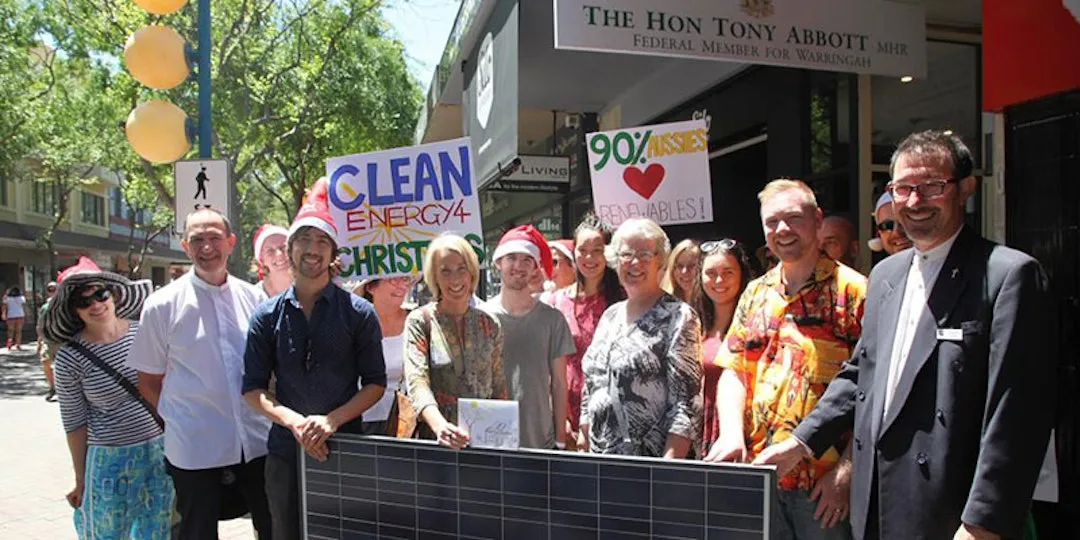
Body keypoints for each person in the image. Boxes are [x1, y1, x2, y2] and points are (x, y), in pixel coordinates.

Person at [754, 131, 1055, 540]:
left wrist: (982, 523)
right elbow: (860, 375)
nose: (915, 202)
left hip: (951, 513)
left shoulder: (1008, 275)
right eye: (902, 188)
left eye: (931, 186)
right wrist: (801, 443)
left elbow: (1016, 414)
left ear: (965, 188)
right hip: (876, 506)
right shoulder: (885, 275)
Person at [704, 178, 867, 540]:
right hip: (759, 476)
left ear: (817, 220)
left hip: (822, 490)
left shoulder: (855, 293)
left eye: (793, 218)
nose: (782, 230)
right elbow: (734, 372)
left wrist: (845, 473)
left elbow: (873, 394)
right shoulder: (755, 293)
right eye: (772, 222)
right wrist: (730, 433)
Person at [243, 179, 386, 540]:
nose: (313, 248)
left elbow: (375, 383)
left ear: (333, 253)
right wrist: (296, 423)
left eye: (323, 241)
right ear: (290, 249)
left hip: (345, 447)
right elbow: (252, 389)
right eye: (304, 239)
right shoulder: (266, 316)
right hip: (284, 452)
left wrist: (331, 421)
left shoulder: (359, 313)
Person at [128, 208, 273, 540]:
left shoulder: (254, 298)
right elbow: (148, 381)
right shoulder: (162, 305)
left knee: (272, 526)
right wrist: (179, 419)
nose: (207, 247)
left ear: (231, 242)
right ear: (185, 246)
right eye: (197, 240)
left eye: (214, 238)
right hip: (195, 447)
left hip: (255, 441)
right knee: (196, 532)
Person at [42, 257, 172, 538]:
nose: (96, 305)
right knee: (107, 533)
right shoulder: (69, 359)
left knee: (157, 531)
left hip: (159, 452)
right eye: (83, 301)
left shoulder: (145, 332)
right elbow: (75, 423)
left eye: (100, 294)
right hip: (109, 462)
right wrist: (81, 478)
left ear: (113, 295)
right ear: (73, 310)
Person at [579, 218, 702, 458]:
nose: (635, 263)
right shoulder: (610, 315)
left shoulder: (678, 316)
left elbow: (686, 404)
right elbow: (592, 382)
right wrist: (584, 431)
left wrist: (669, 467)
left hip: (649, 463)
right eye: (626, 254)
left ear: (661, 261)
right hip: (598, 458)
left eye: (645, 255)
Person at [403, 233, 507, 448]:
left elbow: (499, 385)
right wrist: (440, 426)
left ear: (472, 272)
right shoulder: (420, 321)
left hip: (483, 440)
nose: (455, 279)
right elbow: (417, 382)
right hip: (436, 441)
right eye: (445, 271)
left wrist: (504, 436)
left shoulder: (489, 324)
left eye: (462, 269)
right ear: (434, 277)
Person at [483, 225, 575, 450]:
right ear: (498, 262)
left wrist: (560, 439)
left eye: (527, 260)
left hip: (540, 440)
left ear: (535, 267)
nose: (519, 266)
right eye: (511, 258)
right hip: (490, 438)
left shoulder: (552, 320)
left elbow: (559, 383)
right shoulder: (480, 317)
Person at [549, 213, 624, 450]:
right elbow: (547, 363)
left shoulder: (624, 301)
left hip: (612, 413)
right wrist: (560, 418)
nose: (589, 258)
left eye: (597, 250)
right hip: (565, 410)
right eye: (583, 250)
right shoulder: (557, 301)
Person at [694, 238, 754, 457]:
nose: (719, 280)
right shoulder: (694, 323)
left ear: (742, 275)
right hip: (699, 434)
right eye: (710, 273)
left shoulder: (756, 324)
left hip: (740, 436)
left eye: (728, 272)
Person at [354, 275, 415, 434]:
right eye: (393, 280)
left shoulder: (416, 321)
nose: (401, 286)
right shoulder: (354, 323)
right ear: (370, 287)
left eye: (405, 279)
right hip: (359, 422)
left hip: (405, 424)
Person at [252, 224, 291, 297]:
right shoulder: (252, 297)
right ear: (262, 260)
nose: (279, 254)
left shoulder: (311, 289)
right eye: (270, 251)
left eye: (283, 247)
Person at [36, 281, 58, 401]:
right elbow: (40, 325)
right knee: (46, 362)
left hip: (62, 340)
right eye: (50, 290)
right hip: (48, 339)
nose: (52, 292)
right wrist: (39, 341)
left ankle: (63, 387)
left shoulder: (64, 306)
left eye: (54, 289)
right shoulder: (45, 307)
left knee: (61, 365)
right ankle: (52, 387)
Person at [662, 239, 702, 304]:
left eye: (691, 266)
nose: (684, 271)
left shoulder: (713, 303)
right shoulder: (663, 303)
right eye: (679, 266)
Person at [3, 286, 27, 350]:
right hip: (20, 315)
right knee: (18, 331)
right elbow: (24, 306)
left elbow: (4, 307)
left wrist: (4, 314)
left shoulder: (6, 298)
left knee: (10, 330)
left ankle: (10, 342)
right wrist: (26, 314)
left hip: (10, 315)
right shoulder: (21, 298)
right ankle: (18, 344)